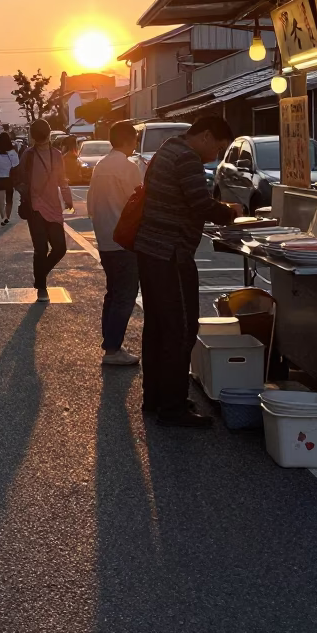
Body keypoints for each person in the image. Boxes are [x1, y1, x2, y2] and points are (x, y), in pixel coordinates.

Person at [134, 115, 238, 427]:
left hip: (150, 249)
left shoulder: (168, 148)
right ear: (205, 136)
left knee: (157, 328)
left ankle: (155, 398)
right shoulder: (187, 159)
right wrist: (231, 212)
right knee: (180, 329)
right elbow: (201, 204)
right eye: (218, 149)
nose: (215, 156)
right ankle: (173, 407)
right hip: (171, 253)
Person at [86, 120, 143, 367]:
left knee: (113, 292)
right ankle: (113, 349)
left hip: (104, 236)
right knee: (125, 294)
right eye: (135, 139)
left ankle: (110, 342)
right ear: (129, 140)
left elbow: (90, 202)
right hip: (125, 239)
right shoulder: (128, 167)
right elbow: (139, 201)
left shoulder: (101, 165)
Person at [22, 118, 73, 301]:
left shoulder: (51, 155)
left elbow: (21, 180)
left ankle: (40, 278)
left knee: (51, 249)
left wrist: (67, 199)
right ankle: (42, 286)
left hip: (48, 208)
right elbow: (63, 181)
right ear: (49, 133)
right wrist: (68, 200)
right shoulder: (30, 155)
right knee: (51, 248)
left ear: (33, 136)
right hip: (36, 208)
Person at [0, 131, 21, 225]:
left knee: (0, 200)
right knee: (9, 200)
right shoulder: (13, 153)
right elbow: (17, 165)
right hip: (10, 178)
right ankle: (8, 216)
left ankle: (3, 217)